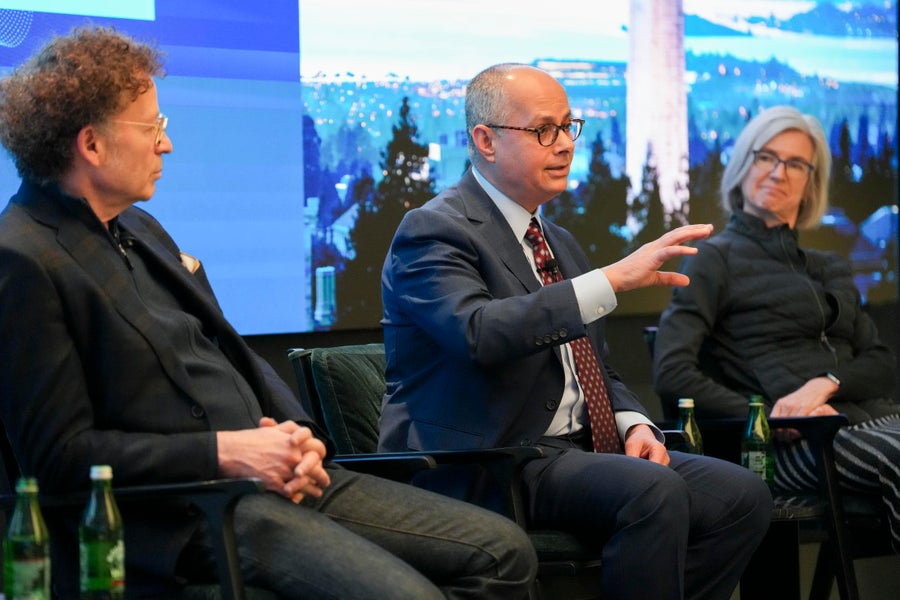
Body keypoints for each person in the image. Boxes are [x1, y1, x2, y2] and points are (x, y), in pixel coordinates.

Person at [0, 27, 538, 599]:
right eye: (153, 127)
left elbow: (231, 354)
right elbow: (58, 458)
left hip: (271, 475)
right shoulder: (25, 259)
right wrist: (227, 454)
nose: (167, 145)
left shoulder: (138, 226)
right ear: (92, 144)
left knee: (504, 553)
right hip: (185, 509)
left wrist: (301, 437)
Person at [378, 62, 773, 600]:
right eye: (545, 130)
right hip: (494, 459)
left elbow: (594, 367)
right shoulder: (434, 230)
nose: (565, 144)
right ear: (485, 140)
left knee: (742, 495)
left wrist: (634, 424)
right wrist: (610, 279)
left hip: (581, 451)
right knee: (652, 493)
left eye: (569, 126)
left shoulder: (557, 240)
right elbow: (478, 334)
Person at [652, 105, 900, 551]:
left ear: (810, 182)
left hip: (876, 419)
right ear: (743, 165)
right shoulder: (713, 258)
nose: (778, 172)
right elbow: (672, 374)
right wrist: (768, 415)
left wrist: (823, 385)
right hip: (796, 447)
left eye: (795, 163)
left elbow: (882, 362)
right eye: (766, 157)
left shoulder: (830, 266)